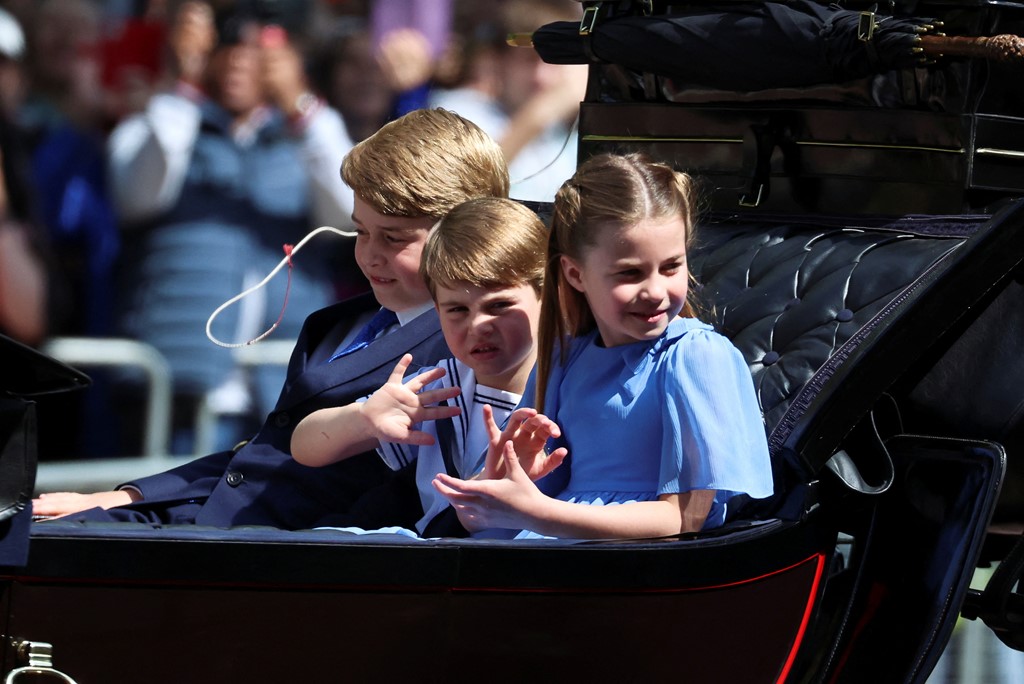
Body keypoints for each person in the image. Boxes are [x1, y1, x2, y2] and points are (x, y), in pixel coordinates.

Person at [31, 106, 511, 528]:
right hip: (211, 525)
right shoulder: (340, 326)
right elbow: (261, 457)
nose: (368, 255)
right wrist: (124, 499)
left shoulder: (465, 349)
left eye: (393, 237)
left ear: (468, 233)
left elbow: (397, 505)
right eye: (361, 232)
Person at [432, 152, 774, 539]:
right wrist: (501, 480)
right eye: (630, 272)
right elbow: (484, 517)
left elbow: (684, 520)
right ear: (575, 273)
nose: (655, 291)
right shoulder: (567, 359)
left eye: (671, 267)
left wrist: (540, 513)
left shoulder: (695, 356)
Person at [107, 0, 358, 452]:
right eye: (227, 45)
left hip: (281, 385)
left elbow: (350, 208)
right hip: (177, 387)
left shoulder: (305, 136)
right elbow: (137, 195)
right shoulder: (166, 119)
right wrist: (183, 84)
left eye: (257, 48)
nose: (241, 60)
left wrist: (299, 103)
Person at [291, 197, 565, 537]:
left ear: (549, 297)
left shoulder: (569, 384)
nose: (478, 324)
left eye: (499, 305)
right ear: (436, 310)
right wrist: (364, 420)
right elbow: (305, 447)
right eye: (457, 310)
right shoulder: (438, 389)